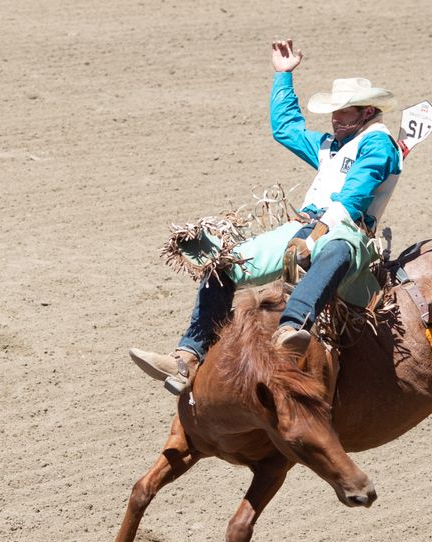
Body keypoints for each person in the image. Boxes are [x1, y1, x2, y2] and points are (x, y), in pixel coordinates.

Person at [129, 39, 403, 395]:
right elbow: (286, 128)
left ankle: (291, 328)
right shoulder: (332, 146)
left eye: (343, 112)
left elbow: (353, 200)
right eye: (334, 112)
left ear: (366, 113)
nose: (335, 118)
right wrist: (282, 76)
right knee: (223, 263)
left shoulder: (378, 144)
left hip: (349, 232)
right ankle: (188, 356)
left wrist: (313, 237)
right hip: (305, 225)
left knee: (335, 248)